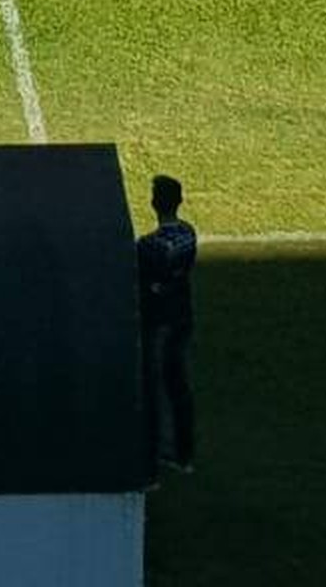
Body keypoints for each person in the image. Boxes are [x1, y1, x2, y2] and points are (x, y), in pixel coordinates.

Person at [137, 175, 196, 482]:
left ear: (153, 203)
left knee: (153, 389)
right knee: (179, 385)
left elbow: (143, 281)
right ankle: (184, 453)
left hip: (159, 323)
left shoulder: (148, 246)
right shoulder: (189, 234)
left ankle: (152, 460)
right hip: (183, 319)